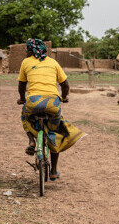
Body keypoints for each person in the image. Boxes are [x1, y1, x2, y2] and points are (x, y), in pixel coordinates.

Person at [17, 38, 84, 181]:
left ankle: (31, 141)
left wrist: (22, 99)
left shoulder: (26, 62)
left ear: (30, 51)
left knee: (24, 116)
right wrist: (64, 97)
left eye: (26, 50)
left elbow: (22, 85)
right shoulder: (53, 63)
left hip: (33, 102)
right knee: (54, 133)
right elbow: (65, 85)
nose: (25, 53)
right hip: (53, 103)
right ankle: (53, 171)